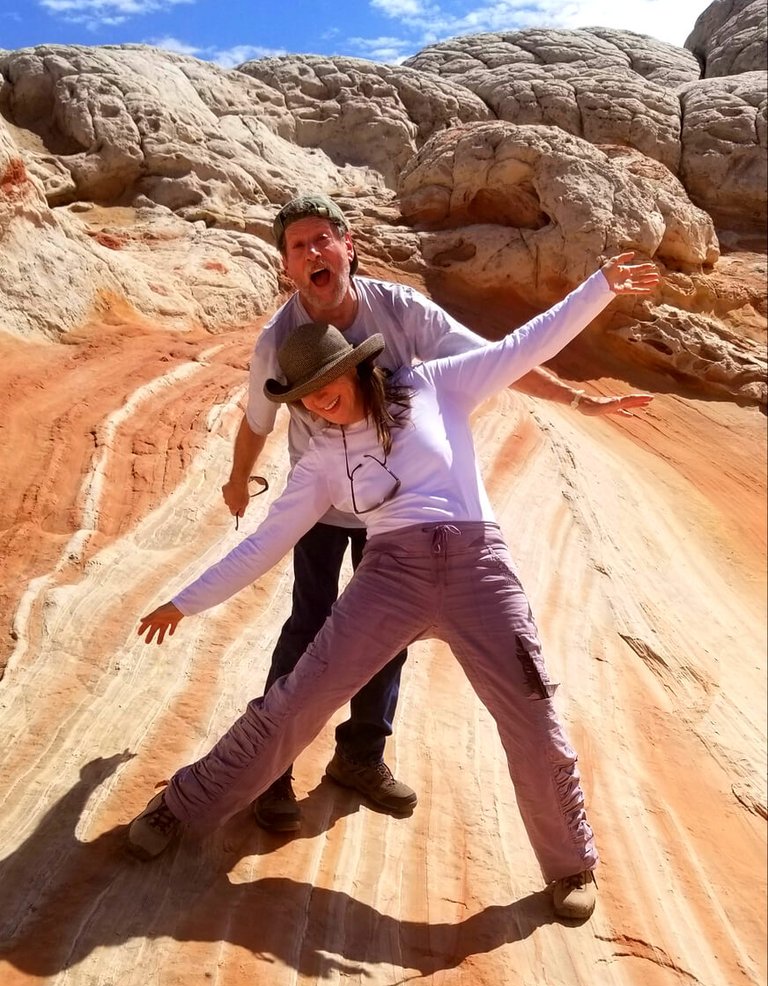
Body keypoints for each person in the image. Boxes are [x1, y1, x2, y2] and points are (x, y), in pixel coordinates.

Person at [127, 251, 660, 922]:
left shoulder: (436, 384)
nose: (321, 400)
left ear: (353, 364)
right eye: (305, 395)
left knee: (532, 714)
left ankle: (570, 864)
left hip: (477, 567)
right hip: (392, 574)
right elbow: (267, 542)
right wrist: (186, 599)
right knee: (295, 701)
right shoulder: (321, 457)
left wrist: (599, 283)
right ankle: (181, 806)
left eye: (327, 381)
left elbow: (526, 344)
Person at [228, 194, 653, 832]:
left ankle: (361, 757)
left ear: (350, 245)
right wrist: (238, 480)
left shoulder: (399, 308)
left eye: (324, 239)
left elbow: (500, 355)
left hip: (399, 507)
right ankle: (272, 773)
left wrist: (576, 400)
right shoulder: (278, 341)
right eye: (298, 246)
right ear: (286, 266)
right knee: (310, 624)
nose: (314, 253)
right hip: (322, 500)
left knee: (389, 631)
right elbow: (256, 421)